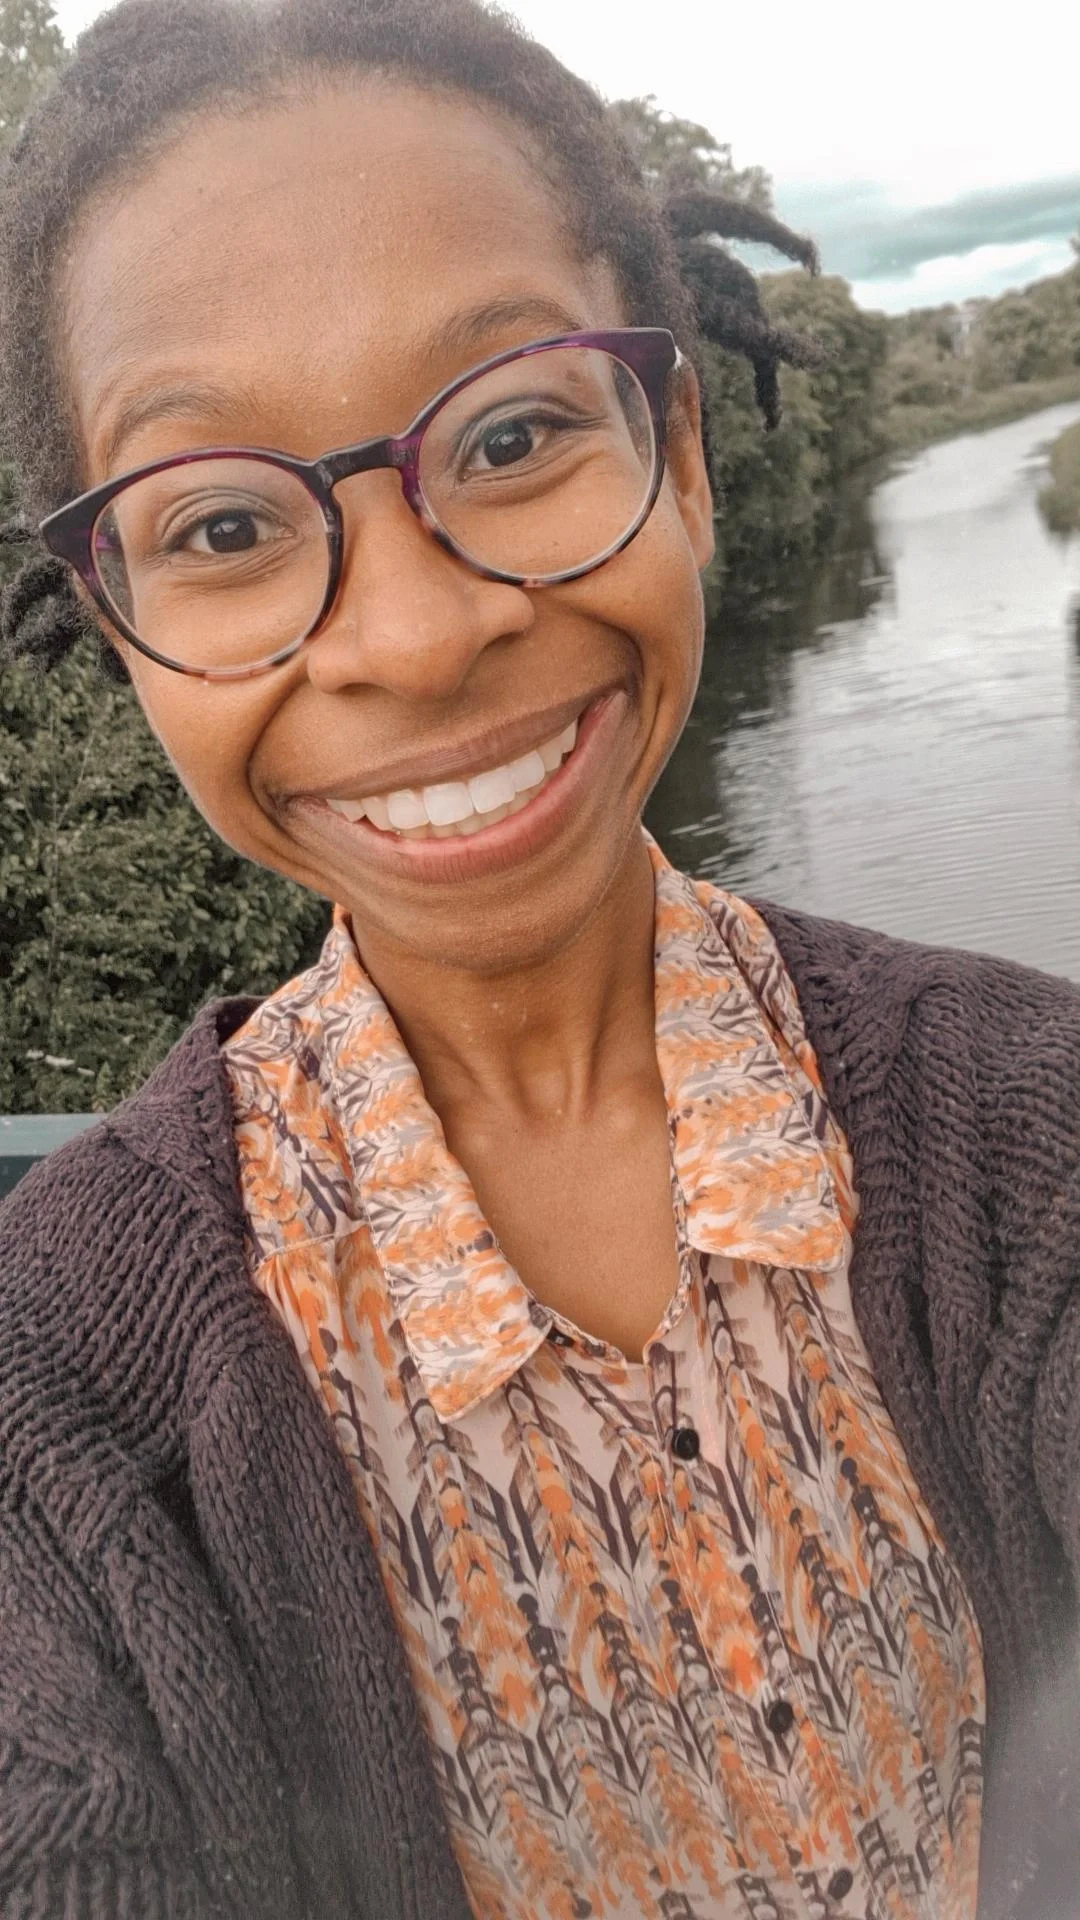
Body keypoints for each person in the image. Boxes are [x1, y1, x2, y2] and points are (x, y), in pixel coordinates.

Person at [0, 2, 1077, 1917]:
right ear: (120, 621)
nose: (412, 640)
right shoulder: (57, 1385)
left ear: (679, 447)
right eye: (225, 524)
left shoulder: (1043, 1136)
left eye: (511, 433)